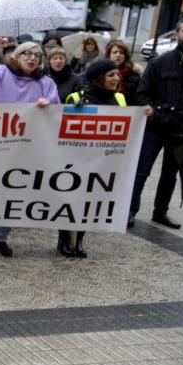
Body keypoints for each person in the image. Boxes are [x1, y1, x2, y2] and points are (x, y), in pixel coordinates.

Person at [0, 38, 59, 257]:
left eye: (37, 55)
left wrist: (49, 105)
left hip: (23, 149)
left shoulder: (45, 84)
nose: (32, 58)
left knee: (13, 192)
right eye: (26, 53)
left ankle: (1, 238)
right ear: (15, 56)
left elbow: (55, 111)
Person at [130, 16, 183, 229]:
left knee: (170, 175)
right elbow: (142, 93)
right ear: (177, 33)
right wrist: (149, 109)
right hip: (156, 127)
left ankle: (161, 212)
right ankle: (130, 210)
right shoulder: (159, 62)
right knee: (142, 171)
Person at [61, 59, 131, 258]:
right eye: (111, 75)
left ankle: (79, 239)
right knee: (71, 198)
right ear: (99, 79)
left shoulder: (120, 99)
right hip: (76, 158)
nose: (116, 78)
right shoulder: (77, 96)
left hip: (102, 159)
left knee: (89, 201)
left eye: (117, 75)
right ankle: (65, 239)